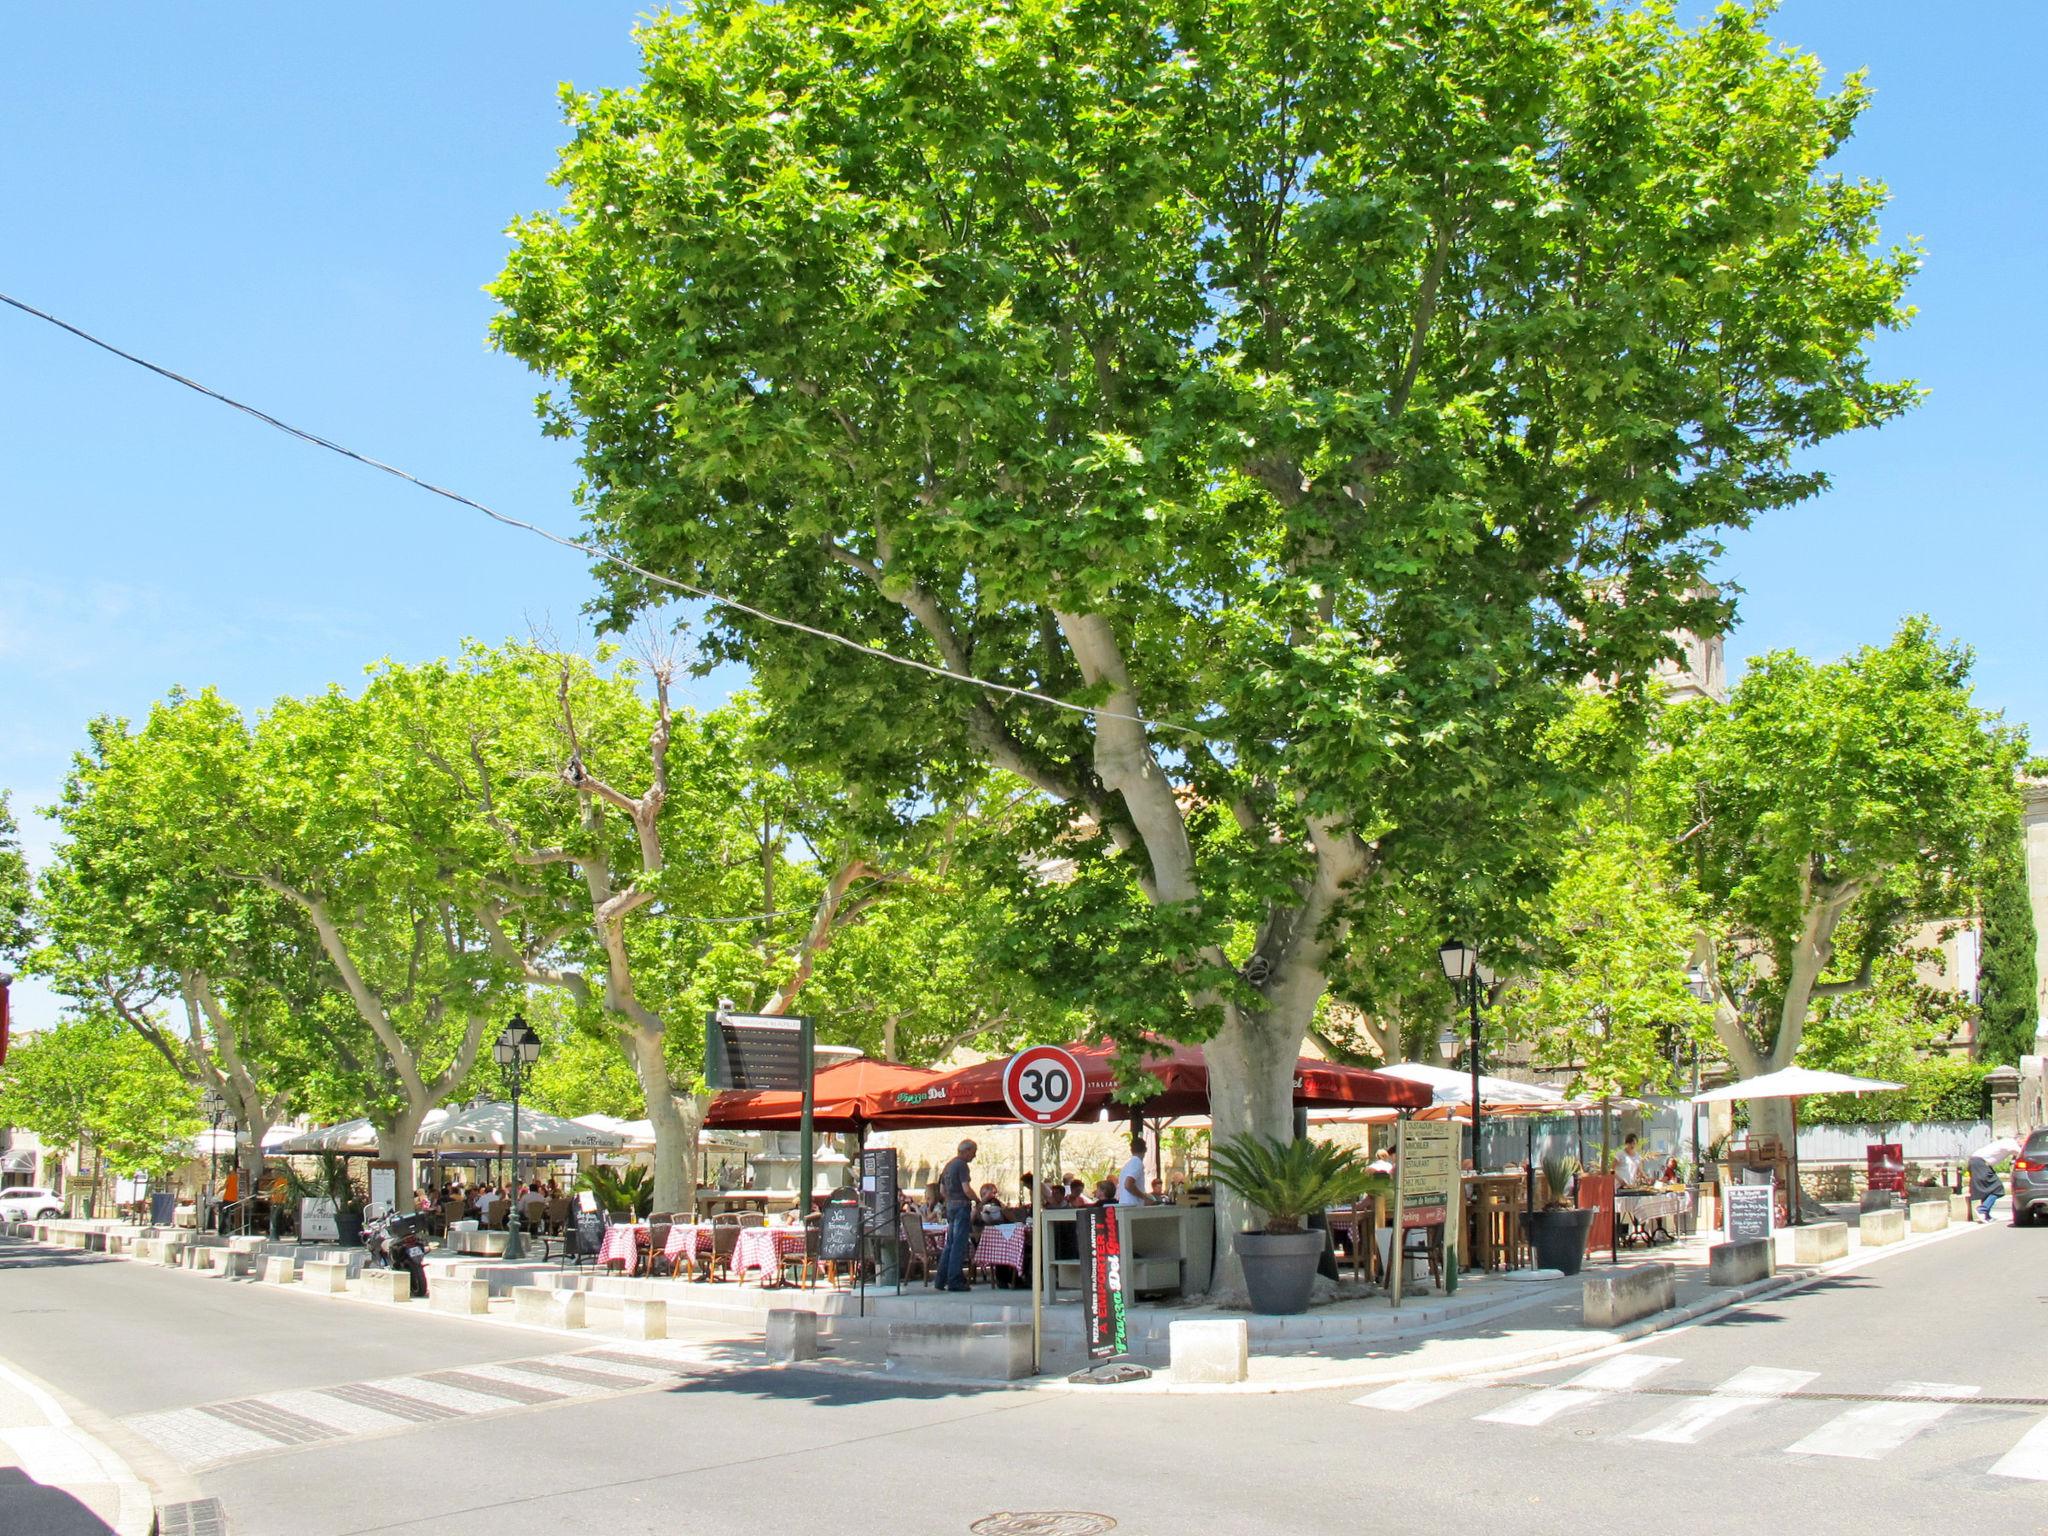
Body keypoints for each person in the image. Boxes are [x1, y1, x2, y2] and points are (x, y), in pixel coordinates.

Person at [935, 1140, 977, 1292]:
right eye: (973, 1152)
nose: (974, 1155)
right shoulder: (962, 1165)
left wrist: (950, 1201)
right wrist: (976, 1199)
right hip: (961, 1207)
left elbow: (941, 1190)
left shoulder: (948, 1165)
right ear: (966, 1151)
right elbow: (966, 1189)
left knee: (950, 1244)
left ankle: (940, 1280)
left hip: (951, 1206)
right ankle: (955, 1281)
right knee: (958, 1245)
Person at [1969, 1137, 2019, 1221]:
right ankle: (1982, 1209)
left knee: (1987, 1189)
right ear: (2019, 1139)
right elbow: (2021, 1153)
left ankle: (1986, 1215)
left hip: (1977, 1162)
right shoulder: (2011, 1143)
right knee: (1998, 1189)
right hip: (1981, 1163)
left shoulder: (2005, 1142)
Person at [1118, 1137, 1149, 1206]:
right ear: (1145, 1149)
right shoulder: (1137, 1163)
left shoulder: (1128, 1165)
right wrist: (1144, 1197)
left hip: (1125, 1203)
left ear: (1131, 1150)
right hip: (1132, 1205)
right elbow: (1128, 1184)